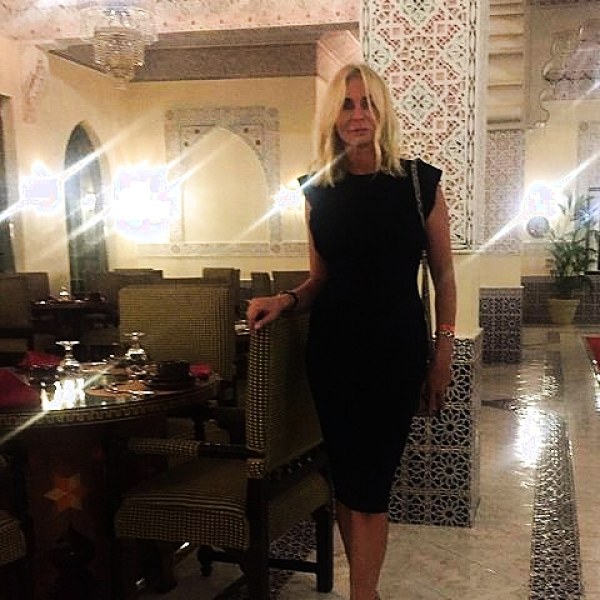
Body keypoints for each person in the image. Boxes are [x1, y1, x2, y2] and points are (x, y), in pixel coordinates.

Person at [246, 63, 456, 600]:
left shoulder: (419, 182)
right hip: (334, 352)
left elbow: (444, 274)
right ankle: (366, 592)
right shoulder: (317, 191)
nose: (358, 115)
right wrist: (285, 300)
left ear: (382, 112)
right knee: (347, 478)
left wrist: (443, 353)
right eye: (346, 104)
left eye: (367, 104)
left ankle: (363, 593)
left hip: (396, 352)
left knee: (373, 485)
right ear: (333, 116)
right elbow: (321, 278)